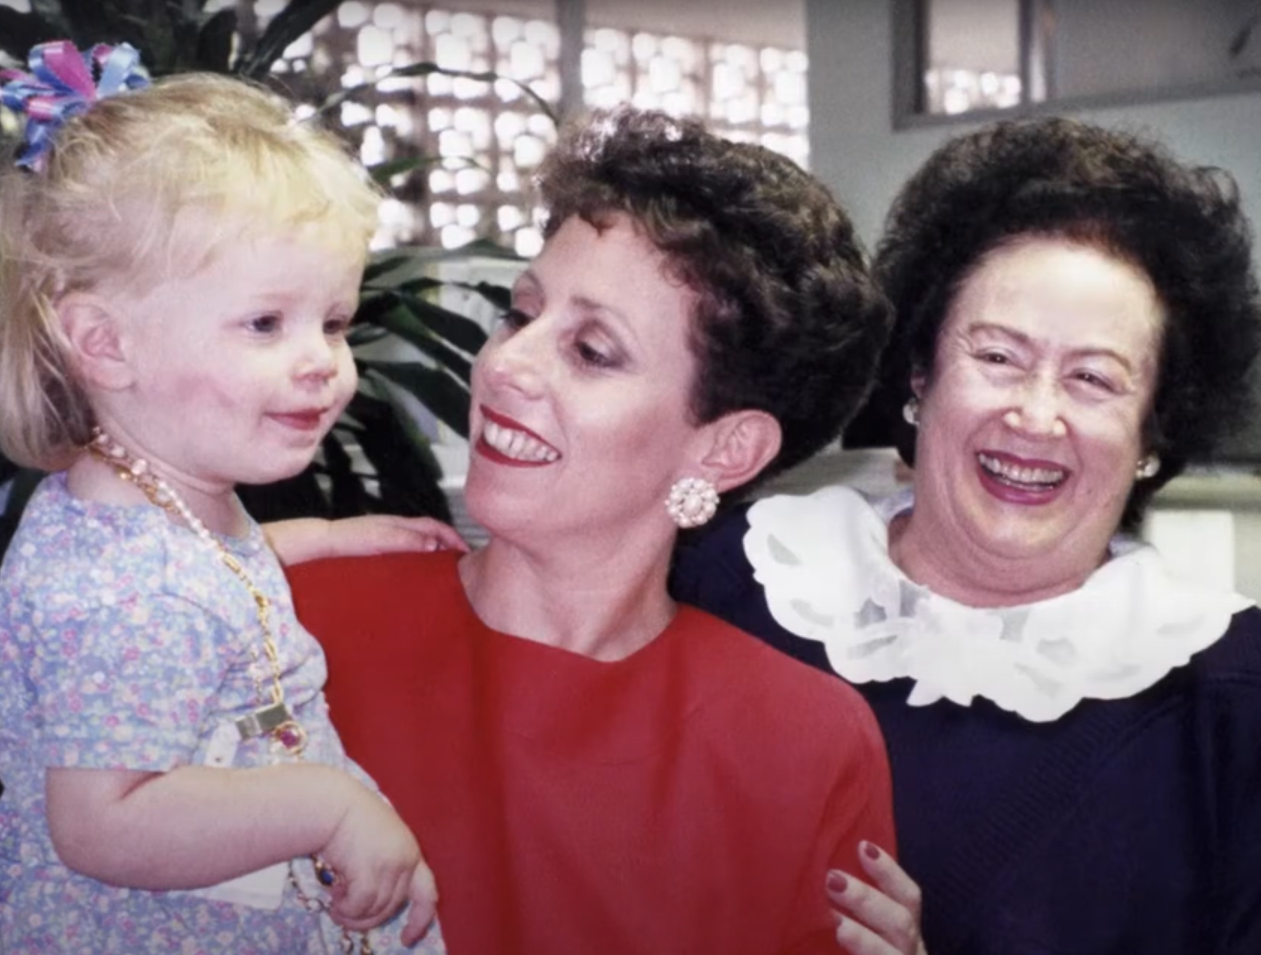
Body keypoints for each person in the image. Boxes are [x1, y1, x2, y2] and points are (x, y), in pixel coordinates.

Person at [671, 117, 1261, 954]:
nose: (1036, 415)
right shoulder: (737, 581)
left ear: (1154, 433)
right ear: (920, 375)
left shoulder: (1234, 694)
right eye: (997, 356)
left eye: (1093, 378)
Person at [281, 106, 898, 955]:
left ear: (725, 447)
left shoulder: (803, 742)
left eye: (592, 350)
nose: (505, 363)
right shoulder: (293, 623)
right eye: (520, 311)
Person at [0, 40, 452, 954]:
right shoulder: (126, 592)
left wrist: (320, 537)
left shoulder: (143, 500)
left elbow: (202, 586)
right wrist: (330, 805)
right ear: (107, 344)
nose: (321, 362)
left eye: (333, 321)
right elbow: (103, 824)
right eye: (265, 322)